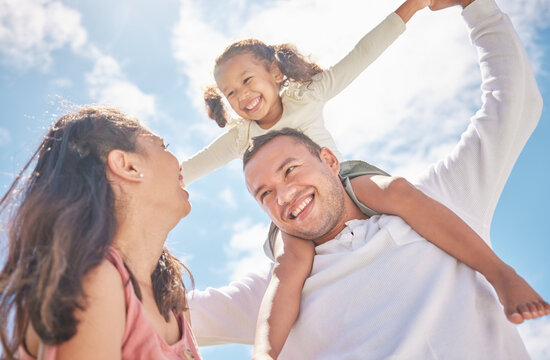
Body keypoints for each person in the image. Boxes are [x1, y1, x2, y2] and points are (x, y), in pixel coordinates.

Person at [188, 0, 549, 358]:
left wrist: (415, 9)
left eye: (291, 169)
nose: (241, 96)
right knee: (288, 266)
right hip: (296, 243)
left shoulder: (310, 97)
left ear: (275, 73)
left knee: (399, 191)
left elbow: (362, 55)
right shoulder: (278, 282)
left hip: (351, 180)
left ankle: (500, 273)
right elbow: (187, 169)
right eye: (230, 92)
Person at [0, 107, 202, 359]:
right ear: (127, 166)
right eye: (163, 146)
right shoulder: (93, 280)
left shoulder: (172, 297)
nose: (177, 161)